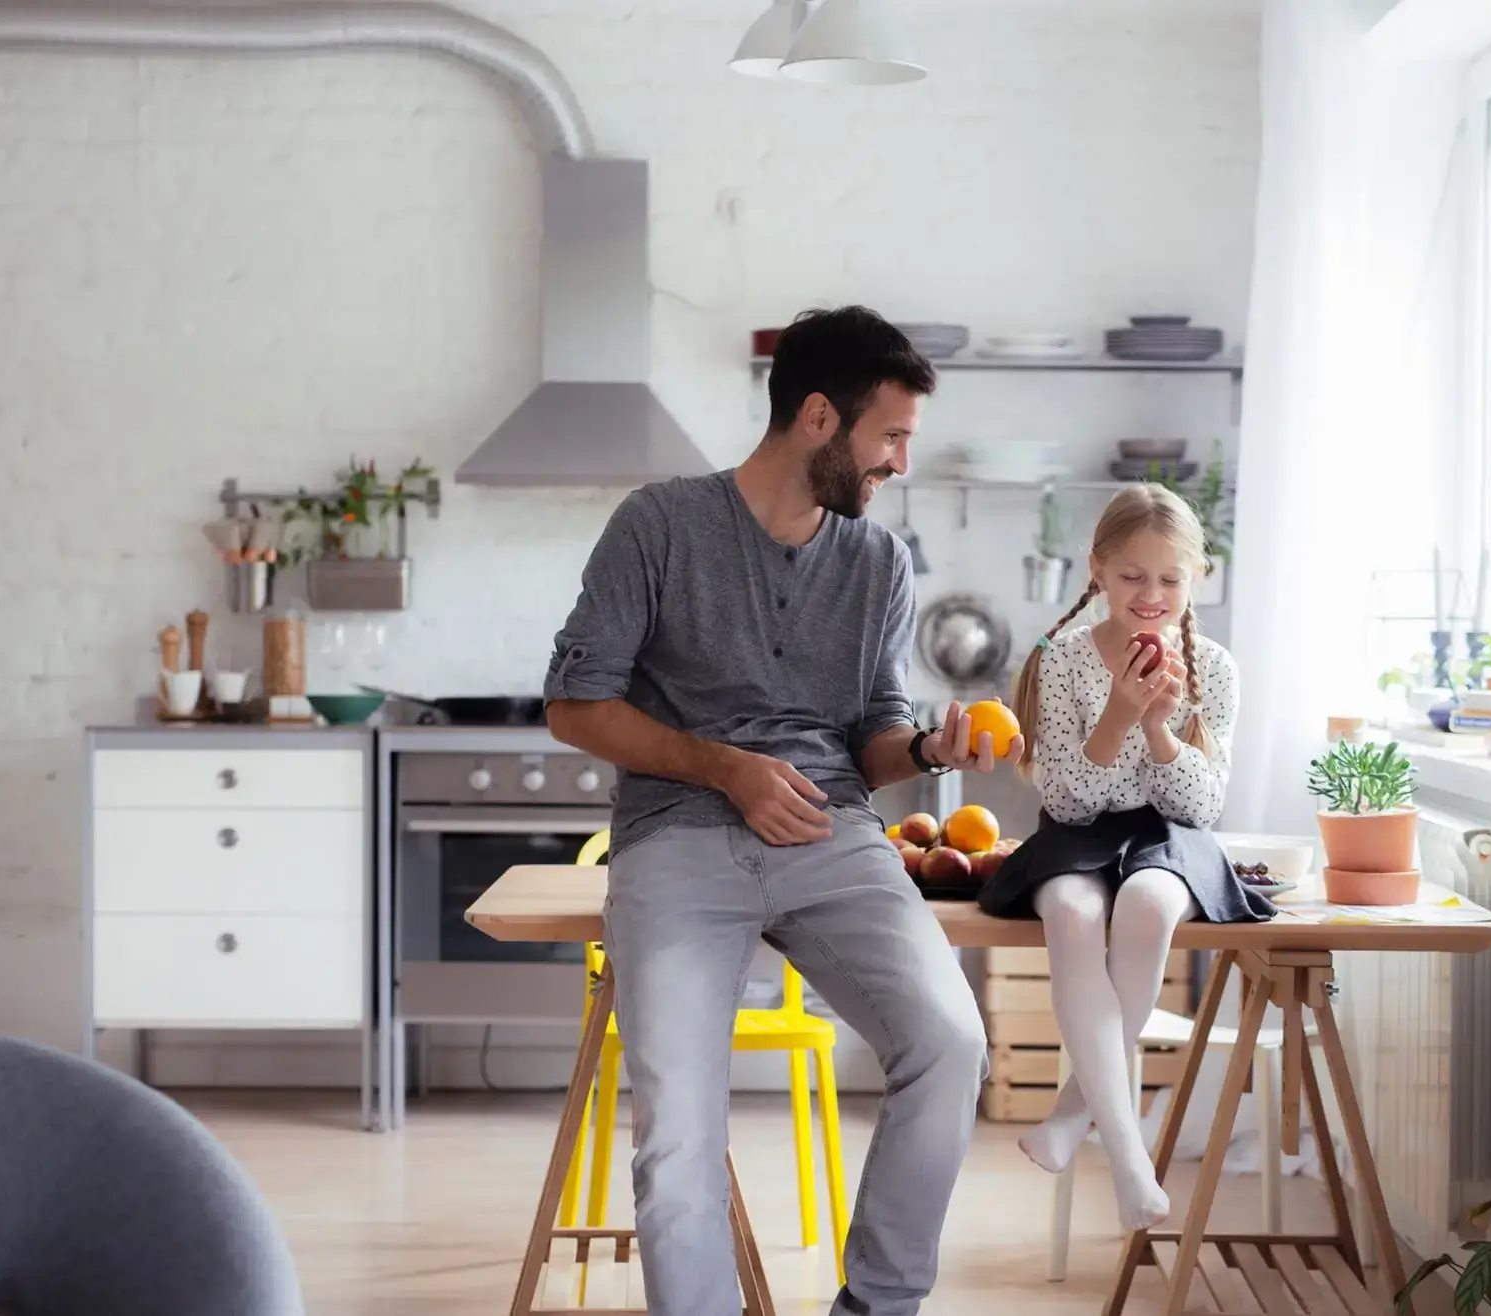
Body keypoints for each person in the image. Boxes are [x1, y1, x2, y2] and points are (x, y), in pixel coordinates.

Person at [543, 306, 1020, 1316]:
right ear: (816, 416)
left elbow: (875, 737)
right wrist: (723, 767)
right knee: (676, 1128)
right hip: (676, 839)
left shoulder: (879, 563)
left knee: (950, 1039)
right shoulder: (661, 523)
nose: (898, 460)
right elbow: (574, 704)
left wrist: (934, 746)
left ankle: (878, 1306)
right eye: (889, 436)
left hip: (833, 838)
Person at [988, 483, 1274, 1233]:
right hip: (1075, 834)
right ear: (1098, 571)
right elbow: (1070, 802)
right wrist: (1117, 714)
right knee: (1075, 913)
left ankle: (1071, 1119)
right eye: (1131, 577)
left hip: (1169, 837)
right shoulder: (1062, 662)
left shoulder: (1213, 669)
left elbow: (1200, 807)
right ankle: (1129, 1160)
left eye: (1169, 579)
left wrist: (1157, 729)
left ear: (1197, 579)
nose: (1151, 594)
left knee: (1148, 904)